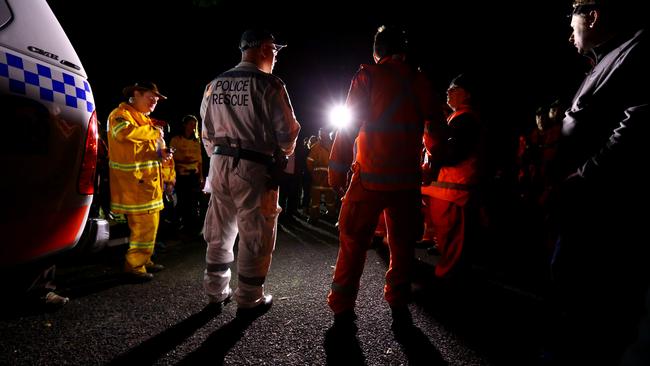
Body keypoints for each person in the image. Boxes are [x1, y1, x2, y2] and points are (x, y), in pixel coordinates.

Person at [541, 1, 649, 363]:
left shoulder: (636, 51)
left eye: (572, 22)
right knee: (569, 290)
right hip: (584, 204)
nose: (569, 33)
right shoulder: (609, 58)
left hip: (601, 209)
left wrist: (584, 175)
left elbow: (636, 125)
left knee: (586, 301)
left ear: (594, 15)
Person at [327, 25, 443, 327]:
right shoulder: (419, 80)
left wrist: (336, 168)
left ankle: (342, 305)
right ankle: (398, 298)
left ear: (376, 52)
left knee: (353, 241)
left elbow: (349, 124)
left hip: (369, 178)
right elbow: (435, 130)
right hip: (406, 182)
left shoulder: (368, 75)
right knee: (403, 245)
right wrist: (433, 164)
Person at [200, 29, 300, 318]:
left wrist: (218, 158)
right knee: (256, 231)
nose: (277, 57)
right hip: (255, 165)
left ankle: (215, 291)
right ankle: (249, 297)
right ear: (265, 49)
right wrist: (284, 153)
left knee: (219, 229)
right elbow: (287, 132)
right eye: (276, 51)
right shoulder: (269, 84)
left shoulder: (214, 84)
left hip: (219, 163)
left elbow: (206, 131)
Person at [421, 73, 485, 280]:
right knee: (450, 246)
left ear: (467, 94)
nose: (448, 92)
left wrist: (431, 136)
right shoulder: (456, 117)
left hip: (456, 194)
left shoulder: (466, 120)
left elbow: (450, 155)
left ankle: (451, 290)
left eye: (454, 88)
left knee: (454, 250)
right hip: (449, 193)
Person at [107, 81, 171, 282]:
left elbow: (148, 151)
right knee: (143, 226)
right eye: (151, 97)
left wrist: (162, 154)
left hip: (148, 184)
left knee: (150, 225)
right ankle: (134, 266)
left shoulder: (145, 121)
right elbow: (123, 134)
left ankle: (145, 259)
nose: (154, 102)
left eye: (157, 100)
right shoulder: (120, 115)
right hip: (134, 184)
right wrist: (154, 133)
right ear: (136, 94)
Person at [170, 114, 204, 236]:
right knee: (182, 201)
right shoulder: (176, 140)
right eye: (191, 124)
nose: (193, 127)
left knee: (194, 202)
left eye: (195, 125)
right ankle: (181, 226)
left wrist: (201, 177)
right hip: (181, 175)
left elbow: (199, 161)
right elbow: (172, 159)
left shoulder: (196, 142)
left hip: (193, 176)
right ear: (185, 125)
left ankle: (193, 227)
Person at [306, 127, 336, 224]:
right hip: (329, 178)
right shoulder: (332, 145)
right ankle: (331, 215)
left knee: (315, 200)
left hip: (318, 178)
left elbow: (309, 161)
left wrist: (313, 173)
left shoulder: (316, 146)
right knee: (330, 199)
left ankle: (314, 217)